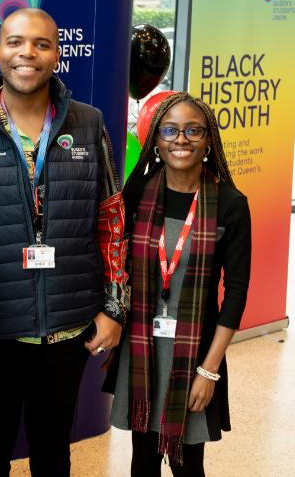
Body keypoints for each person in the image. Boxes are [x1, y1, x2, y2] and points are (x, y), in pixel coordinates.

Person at [0, 7, 129, 477]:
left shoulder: (90, 125)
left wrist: (114, 308)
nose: (26, 53)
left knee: (53, 450)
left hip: (68, 329)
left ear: (57, 54)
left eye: (41, 43)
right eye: (15, 42)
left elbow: (112, 218)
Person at [107, 92, 252, 476]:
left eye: (193, 130)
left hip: (195, 353)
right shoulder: (137, 194)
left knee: (188, 465)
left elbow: (235, 294)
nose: (181, 140)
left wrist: (209, 371)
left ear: (209, 140)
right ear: (155, 139)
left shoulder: (230, 204)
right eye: (170, 130)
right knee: (143, 460)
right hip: (142, 349)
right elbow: (115, 264)